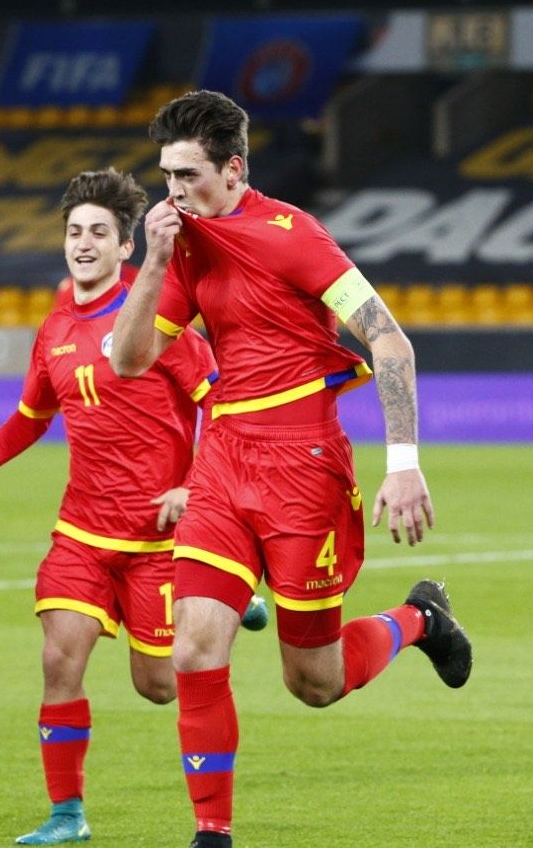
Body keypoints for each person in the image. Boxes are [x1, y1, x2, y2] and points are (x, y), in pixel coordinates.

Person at [109, 90, 473, 848]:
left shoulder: (292, 235)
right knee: (194, 647)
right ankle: (213, 834)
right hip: (223, 465)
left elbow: (391, 341)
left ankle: (418, 619)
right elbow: (130, 358)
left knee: (315, 682)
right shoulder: (185, 247)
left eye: (189, 176)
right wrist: (150, 261)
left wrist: (403, 464)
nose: (174, 193)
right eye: (166, 177)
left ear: (234, 168)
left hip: (303, 469)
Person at [0, 168, 265, 846]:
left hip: (159, 540)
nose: (83, 243)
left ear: (126, 248)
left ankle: (231, 596)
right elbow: (30, 418)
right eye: (74, 231)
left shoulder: (160, 322)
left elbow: (224, 407)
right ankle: (67, 814)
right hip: (82, 534)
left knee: (159, 684)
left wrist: (197, 486)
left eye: (99, 233)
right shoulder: (55, 328)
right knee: (60, 659)